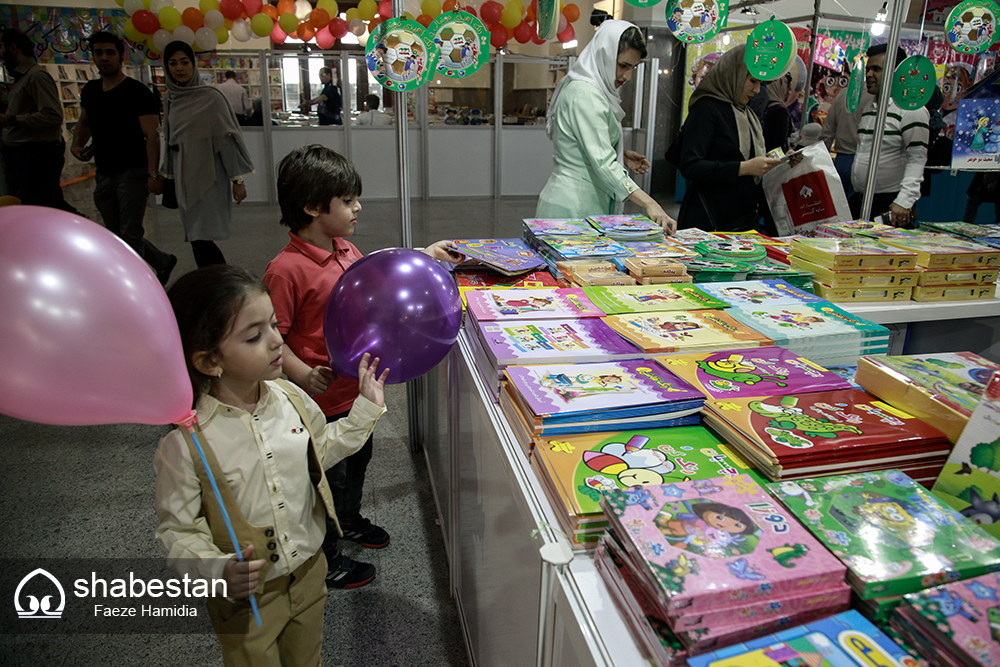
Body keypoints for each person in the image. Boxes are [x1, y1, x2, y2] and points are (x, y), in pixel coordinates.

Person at [155, 264, 389, 665]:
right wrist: (216, 571)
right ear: (210, 361)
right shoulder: (186, 444)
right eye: (254, 336)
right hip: (248, 600)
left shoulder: (290, 398)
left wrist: (366, 408)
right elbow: (178, 530)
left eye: (274, 326)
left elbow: (320, 450)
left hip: (309, 574)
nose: (277, 341)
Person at [262, 145, 464, 589]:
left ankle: (349, 519)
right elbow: (271, 339)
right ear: (313, 207)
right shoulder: (286, 271)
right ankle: (325, 555)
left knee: (357, 460)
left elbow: (380, 278)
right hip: (315, 404)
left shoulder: (345, 248)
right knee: (324, 480)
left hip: (356, 397)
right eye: (348, 200)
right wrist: (299, 373)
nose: (358, 207)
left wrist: (424, 255)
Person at [536, 20, 675, 233]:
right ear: (604, 55)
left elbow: (585, 144)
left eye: (633, 68)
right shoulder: (585, 94)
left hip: (581, 203)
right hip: (573, 208)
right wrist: (649, 202)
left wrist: (620, 153)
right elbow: (603, 163)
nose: (627, 76)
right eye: (623, 65)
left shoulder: (587, 88)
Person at [71, 32, 176, 286]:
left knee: (130, 233)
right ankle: (161, 260)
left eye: (110, 52)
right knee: (115, 233)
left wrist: (153, 174)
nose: (104, 58)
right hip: (105, 170)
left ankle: (135, 284)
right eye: (98, 53)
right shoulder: (92, 90)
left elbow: (152, 135)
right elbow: (85, 121)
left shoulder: (137, 92)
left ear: (121, 56)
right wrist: (77, 144)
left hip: (133, 170)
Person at [161, 41, 254, 268]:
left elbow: (226, 142)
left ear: (193, 64)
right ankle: (217, 283)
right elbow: (172, 141)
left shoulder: (211, 97)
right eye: (172, 63)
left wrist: (238, 181)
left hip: (209, 177)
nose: (179, 68)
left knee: (200, 236)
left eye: (185, 62)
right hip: (184, 178)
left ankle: (220, 282)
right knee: (195, 236)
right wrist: (167, 177)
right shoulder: (171, 97)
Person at [676, 44, 781, 233]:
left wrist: (780, 160)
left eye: (760, 84)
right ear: (734, 74)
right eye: (752, 81)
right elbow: (690, 165)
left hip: (741, 220)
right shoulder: (707, 109)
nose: (757, 90)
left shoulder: (745, 113)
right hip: (708, 221)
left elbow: (747, 155)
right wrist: (744, 168)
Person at [850, 43, 929, 227]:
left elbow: (917, 158)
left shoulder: (911, 110)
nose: (869, 75)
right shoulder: (870, 107)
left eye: (876, 69)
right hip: (863, 201)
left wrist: (904, 200)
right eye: (868, 69)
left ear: (896, 73)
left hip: (891, 204)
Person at [0, 29, 77, 212]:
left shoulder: (36, 77)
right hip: (25, 156)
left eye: (1, 47)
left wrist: (11, 120)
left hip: (36, 156)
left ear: (13, 48)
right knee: (49, 205)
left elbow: (53, 115)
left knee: (37, 207)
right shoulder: (21, 78)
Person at [821, 86, 874, 200]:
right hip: (863, 162)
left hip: (840, 163)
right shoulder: (877, 98)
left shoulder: (843, 94)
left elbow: (827, 133)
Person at [762, 73, 794, 153]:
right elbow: (780, 144)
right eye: (788, 88)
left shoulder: (764, 108)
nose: (789, 93)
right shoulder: (781, 111)